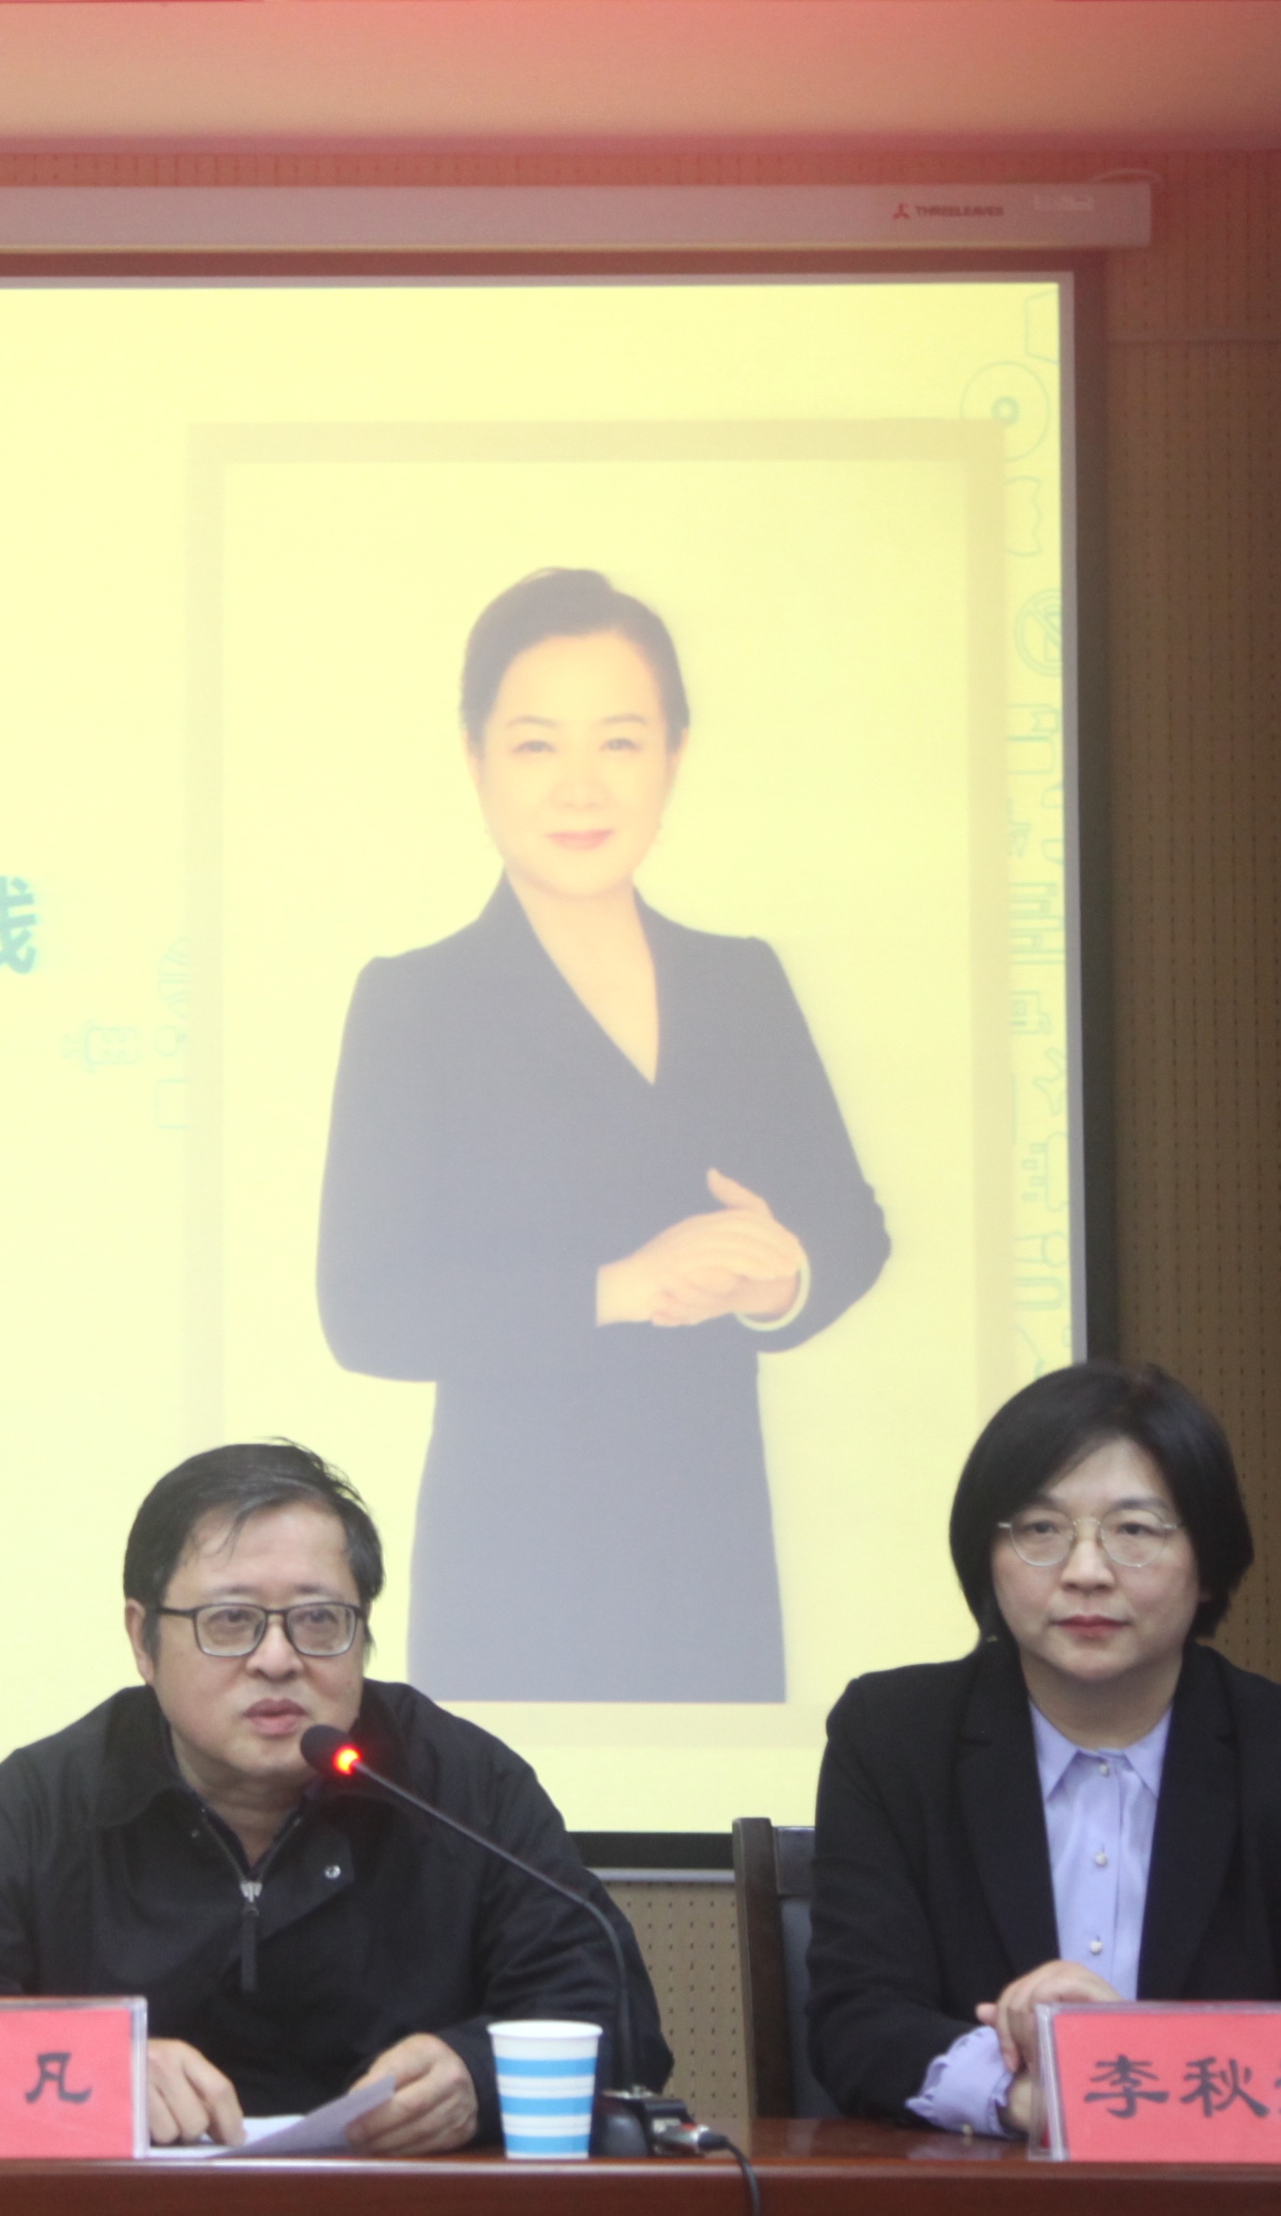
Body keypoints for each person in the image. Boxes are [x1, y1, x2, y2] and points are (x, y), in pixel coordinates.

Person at [319, 567, 889, 1702]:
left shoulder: (740, 981)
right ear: (475, 759)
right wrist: (622, 1286)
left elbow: (852, 1230)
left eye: (620, 741)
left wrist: (780, 1275)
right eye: (536, 744)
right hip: (515, 1555)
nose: (580, 785)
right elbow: (367, 1309)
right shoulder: (415, 1000)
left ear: (673, 755)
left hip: (712, 1540)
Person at [0, 1442, 667, 2153]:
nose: (277, 1658)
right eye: (231, 1619)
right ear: (142, 1637)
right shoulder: (46, 1801)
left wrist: (477, 2074)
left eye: (319, 1619)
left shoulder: (460, 1783)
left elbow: (615, 2014)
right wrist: (90, 2065)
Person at [803, 1364, 1281, 2137]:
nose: (1085, 1572)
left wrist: (1136, 2067)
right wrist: (1027, 2099)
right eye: (1041, 1529)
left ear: (1208, 1563)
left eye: (1135, 1531)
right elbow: (857, 2021)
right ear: (987, 1555)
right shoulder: (892, 1737)